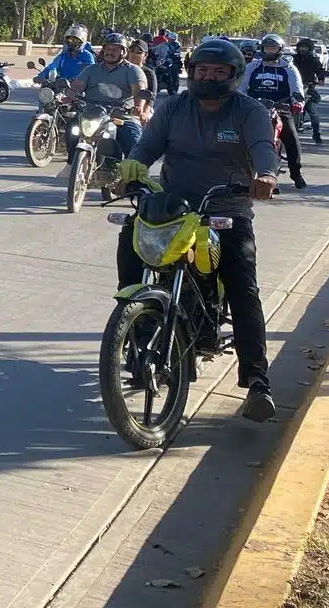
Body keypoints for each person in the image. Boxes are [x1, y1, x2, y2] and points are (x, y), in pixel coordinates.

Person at [117, 38, 279, 423]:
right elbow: (148, 145)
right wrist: (133, 165)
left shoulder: (249, 111)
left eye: (218, 72)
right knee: (129, 238)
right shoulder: (174, 107)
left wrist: (266, 175)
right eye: (202, 70)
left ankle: (257, 382)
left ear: (234, 76)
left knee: (242, 287)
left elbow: (262, 148)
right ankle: (136, 329)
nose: (208, 77)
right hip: (172, 208)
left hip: (226, 211)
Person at [239, 34, 306, 189]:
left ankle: (296, 174)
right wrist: (239, 100)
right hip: (254, 109)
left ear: (280, 49)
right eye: (267, 48)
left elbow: (297, 87)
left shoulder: (288, 67)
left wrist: (298, 102)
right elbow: (241, 87)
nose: (269, 51)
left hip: (280, 109)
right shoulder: (252, 66)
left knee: (292, 139)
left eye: (273, 48)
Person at [66, 33, 147, 160]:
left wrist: (138, 107)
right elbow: (77, 85)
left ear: (124, 52)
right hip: (91, 114)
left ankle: (136, 177)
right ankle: (71, 162)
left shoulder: (133, 70)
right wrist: (69, 96)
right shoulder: (91, 69)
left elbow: (139, 91)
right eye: (108, 49)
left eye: (115, 49)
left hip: (121, 117)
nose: (110, 52)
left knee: (134, 142)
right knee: (73, 126)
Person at [292, 37, 328, 145]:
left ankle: (317, 134)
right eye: (301, 47)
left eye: (305, 48)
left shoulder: (313, 60)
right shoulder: (293, 59)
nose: (303, 50)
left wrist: (321, 79)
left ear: (310, 49)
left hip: (308, 88)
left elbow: (320, 71)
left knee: (313, 112)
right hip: (293, 89)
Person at [35, 24, 95, 88]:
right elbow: (52, 66)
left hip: (79, 89)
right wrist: (40, 76)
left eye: (75, 40)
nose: (72, 42)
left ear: (82, 41)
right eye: (70, 40)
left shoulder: (87, 56)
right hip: (61, 87)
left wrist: (75, 81)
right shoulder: (63, 56)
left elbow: (90, 73)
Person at [125, 39, 159, 123]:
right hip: (121, 108)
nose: (134, 54)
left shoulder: (149, 73)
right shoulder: (121, 69)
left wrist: (144, 114)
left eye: (139, 52)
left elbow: (151, 99)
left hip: (141, 109)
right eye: (132, 51)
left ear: (145, 55)